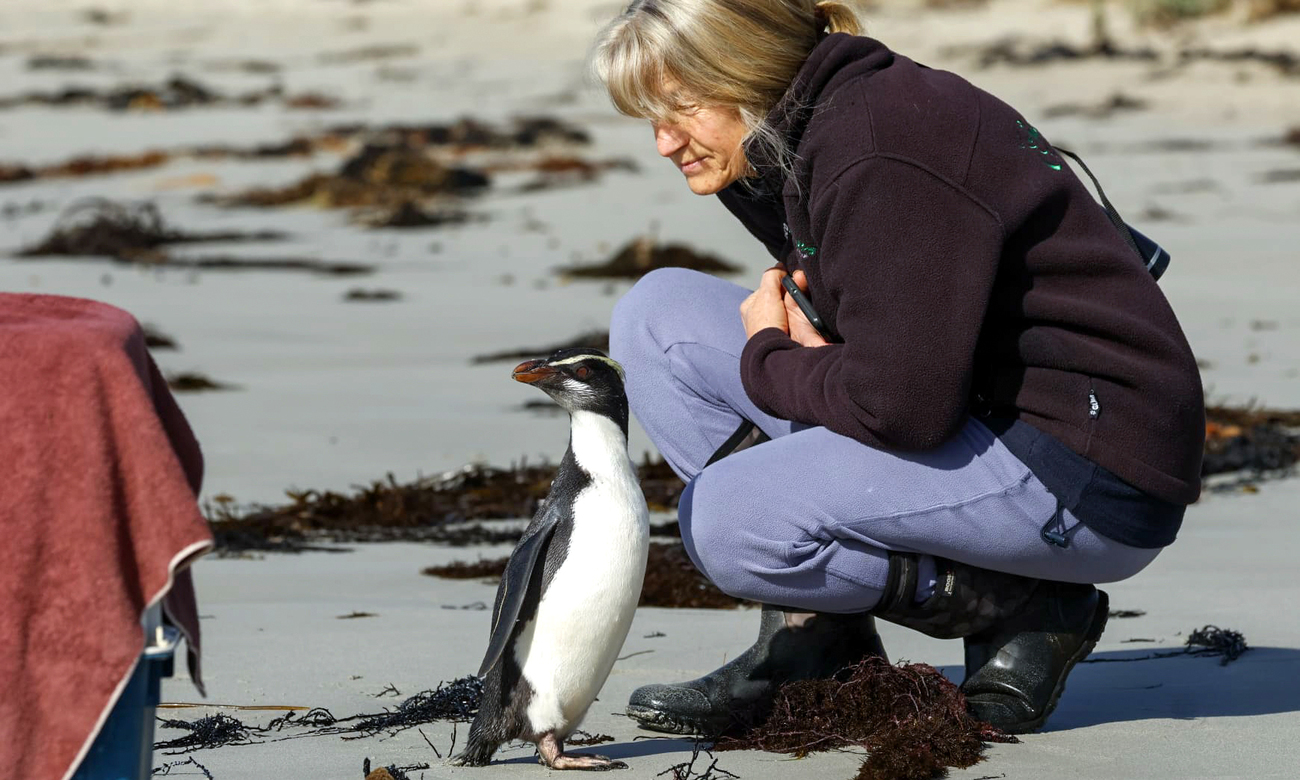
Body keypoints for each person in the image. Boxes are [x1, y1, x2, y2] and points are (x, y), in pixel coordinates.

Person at [593, 0, 1205, 736]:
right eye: (649, 117)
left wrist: (768, 359)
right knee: (654, 317)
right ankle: (818, 639)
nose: (663, 142)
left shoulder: (875, 145)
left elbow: (903, 408)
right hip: (979, 404)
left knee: (730, 522)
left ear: (748, 73)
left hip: (1087, 470)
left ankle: (1021, 604)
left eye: (681, 108)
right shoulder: (791, 130)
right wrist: (811, 356)